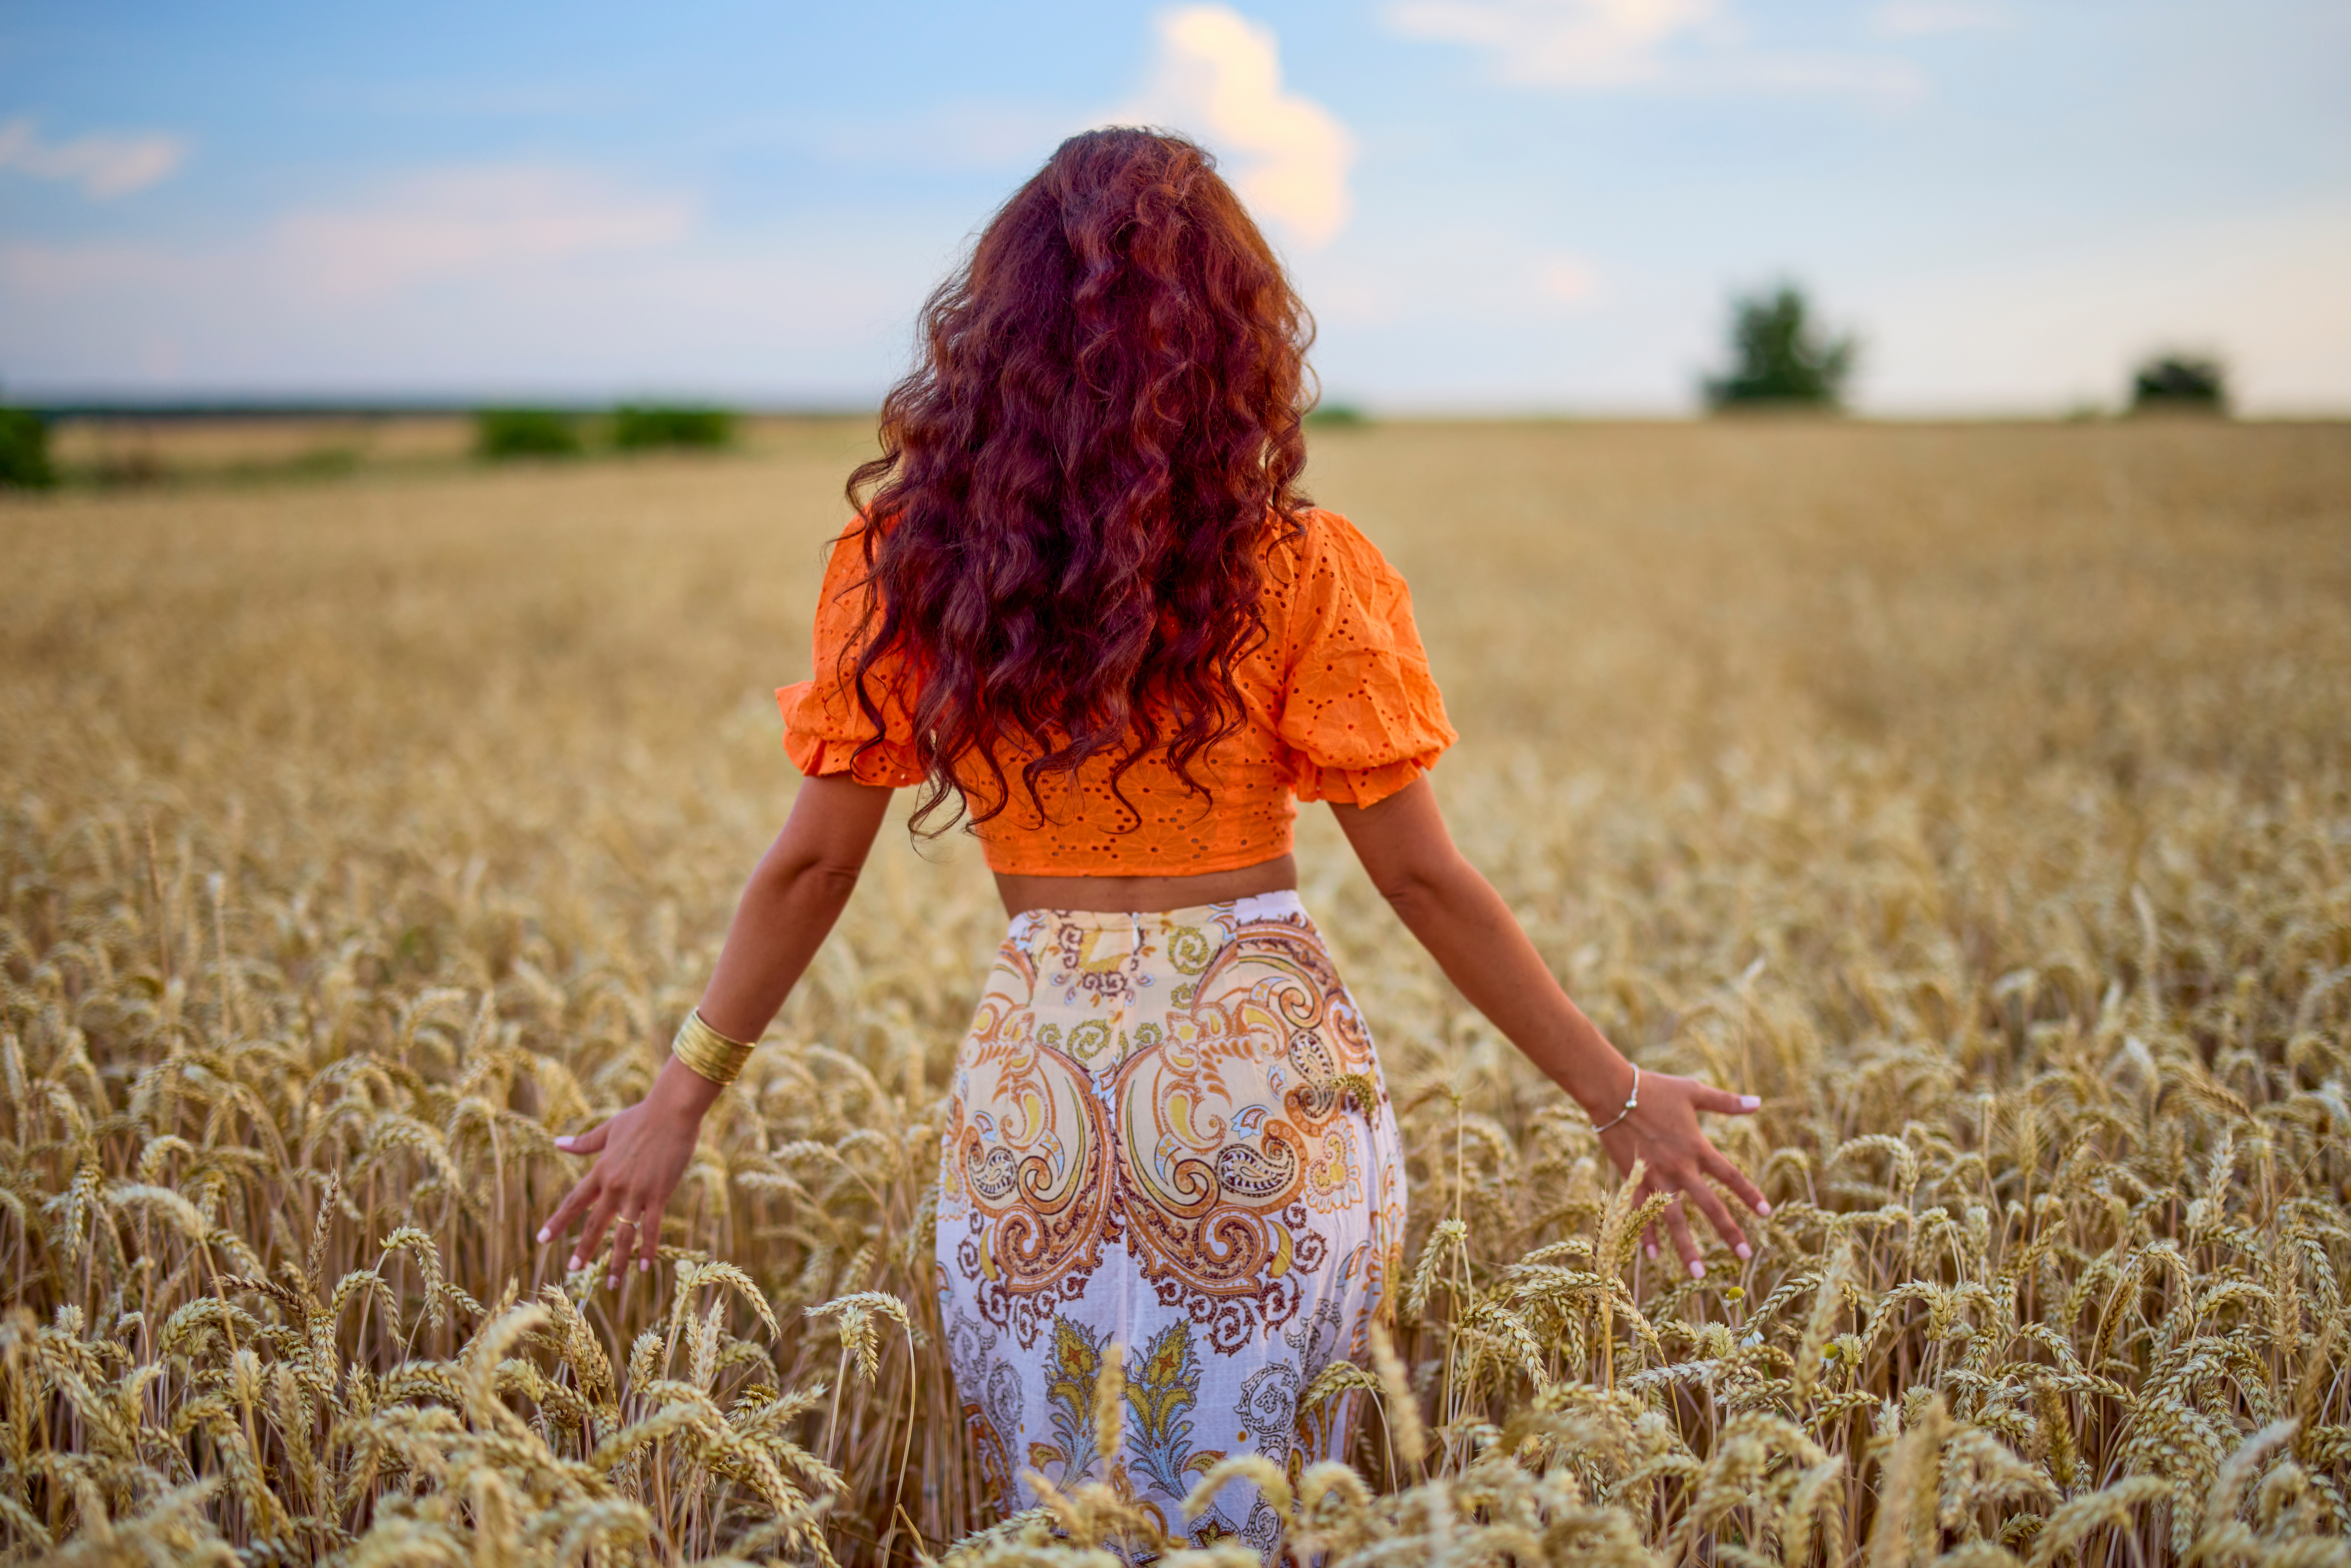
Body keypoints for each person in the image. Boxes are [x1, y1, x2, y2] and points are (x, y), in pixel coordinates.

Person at [536, 127, 1767, 1556]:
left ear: (998, 335)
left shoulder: (913, 573)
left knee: (1059, 1520)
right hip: (1262, 1075)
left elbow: (810, 867)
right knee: (1262, 1510)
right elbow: (1423, 878)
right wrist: (1614, 1094)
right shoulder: (1301, 568)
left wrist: (680, 1099)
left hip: (1038, 1090)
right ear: (1235, 337)